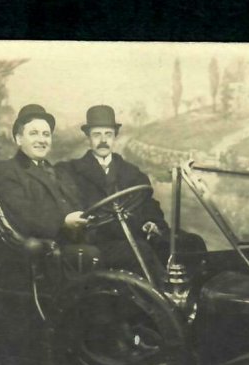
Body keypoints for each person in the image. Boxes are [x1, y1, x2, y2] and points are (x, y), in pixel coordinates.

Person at [57, 105, 205, 278]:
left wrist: (152, 223)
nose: (103, 140)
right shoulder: (72, 171)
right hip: (99, 242)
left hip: (137, 235)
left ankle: (193, 297)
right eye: (97, 135)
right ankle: (166, 297)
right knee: (138, 251)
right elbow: (70, 211)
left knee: (190, 243)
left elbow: (149, 205)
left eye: (108, 134)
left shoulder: (131, 172)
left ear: (115, 137)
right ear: (88, 137)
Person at [0, 104, 99, 273]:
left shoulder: (61, 173)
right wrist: (64, 222)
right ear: (18, 139)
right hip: (40, 253)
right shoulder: (5, 171)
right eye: (33, 133)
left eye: (46, 134)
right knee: (94, 257)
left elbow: (80, 206)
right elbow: (24, 216)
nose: (41, 140)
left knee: (126, 251)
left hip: (73, 244)